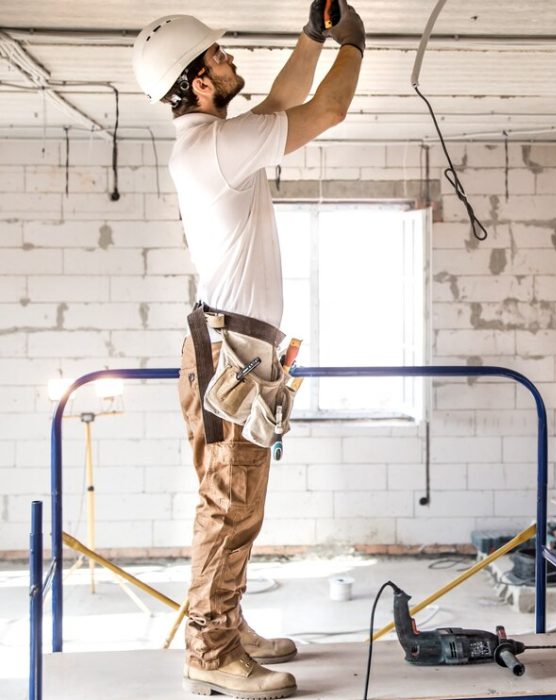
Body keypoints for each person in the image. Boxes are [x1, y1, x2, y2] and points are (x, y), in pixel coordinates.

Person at [132, 2, 364, 697]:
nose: (232, 63)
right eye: (220, 58)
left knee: (233, 499)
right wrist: (353, 45)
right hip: (230, 348)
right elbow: (324, 111)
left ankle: (225, 622)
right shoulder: (214, 148)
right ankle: (209, 650)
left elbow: (283, 99)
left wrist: (312, 36)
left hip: (232, 345)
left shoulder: (214, 140)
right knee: (229, 503)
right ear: (201, 84)